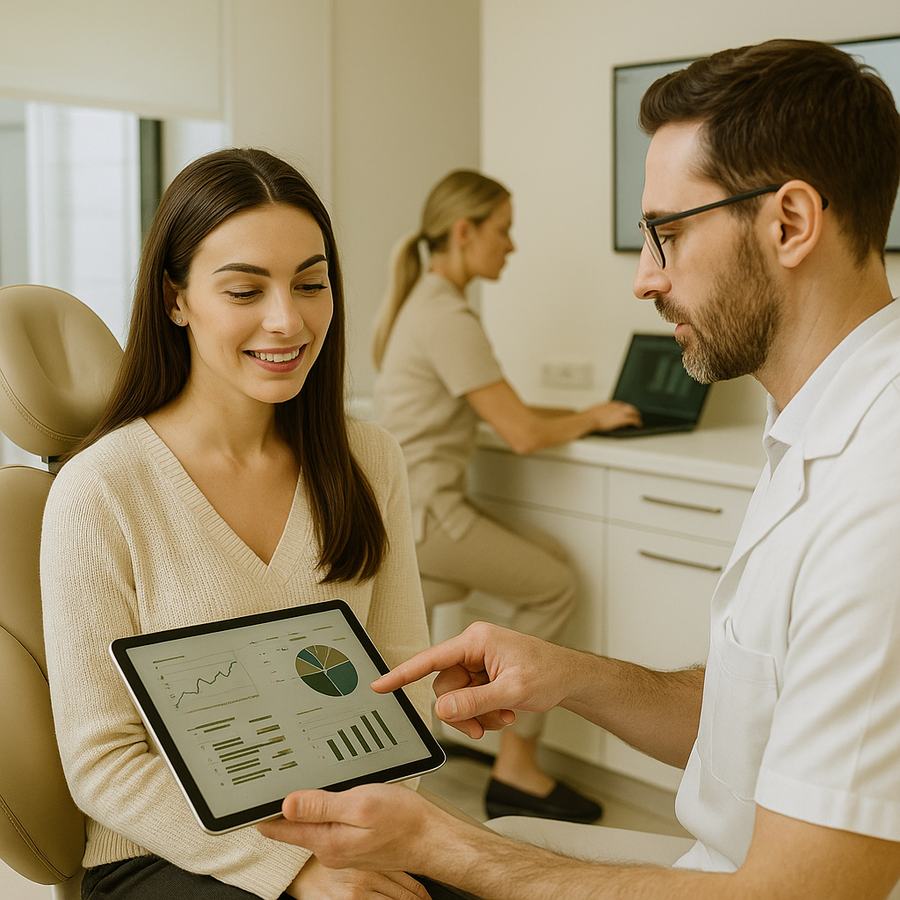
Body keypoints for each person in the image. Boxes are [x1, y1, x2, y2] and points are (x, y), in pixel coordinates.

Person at [257, 38, 900, 899]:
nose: (645, 279)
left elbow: (800, 892)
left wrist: (447, 844)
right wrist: (573, 676)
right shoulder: (816, 426)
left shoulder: (878, 492)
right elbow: (762, 721)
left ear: (789, 223)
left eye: (668, 234)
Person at [40, 147, 457, 900]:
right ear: (175, 299)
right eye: (244, 290)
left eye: (311, 284)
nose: (287, 320)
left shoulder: (369, 459)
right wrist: (295, 869)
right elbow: (103, 763)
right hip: (165, 855)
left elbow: (404, 689)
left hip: (347, 830)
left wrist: (361, 844)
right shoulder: (100, 490)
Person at [371, 170, 640, 823]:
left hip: (414, 515)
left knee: (548, 558)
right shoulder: (446, 315)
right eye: (504, 230)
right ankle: (516, 767)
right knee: (554, 585)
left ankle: (476, 730)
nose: (512, 245)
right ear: (465, 232)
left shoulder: (429, 303)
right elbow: (520, 433)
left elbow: (505, 408)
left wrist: (586, 414)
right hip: (427, 520)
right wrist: (589, 418)